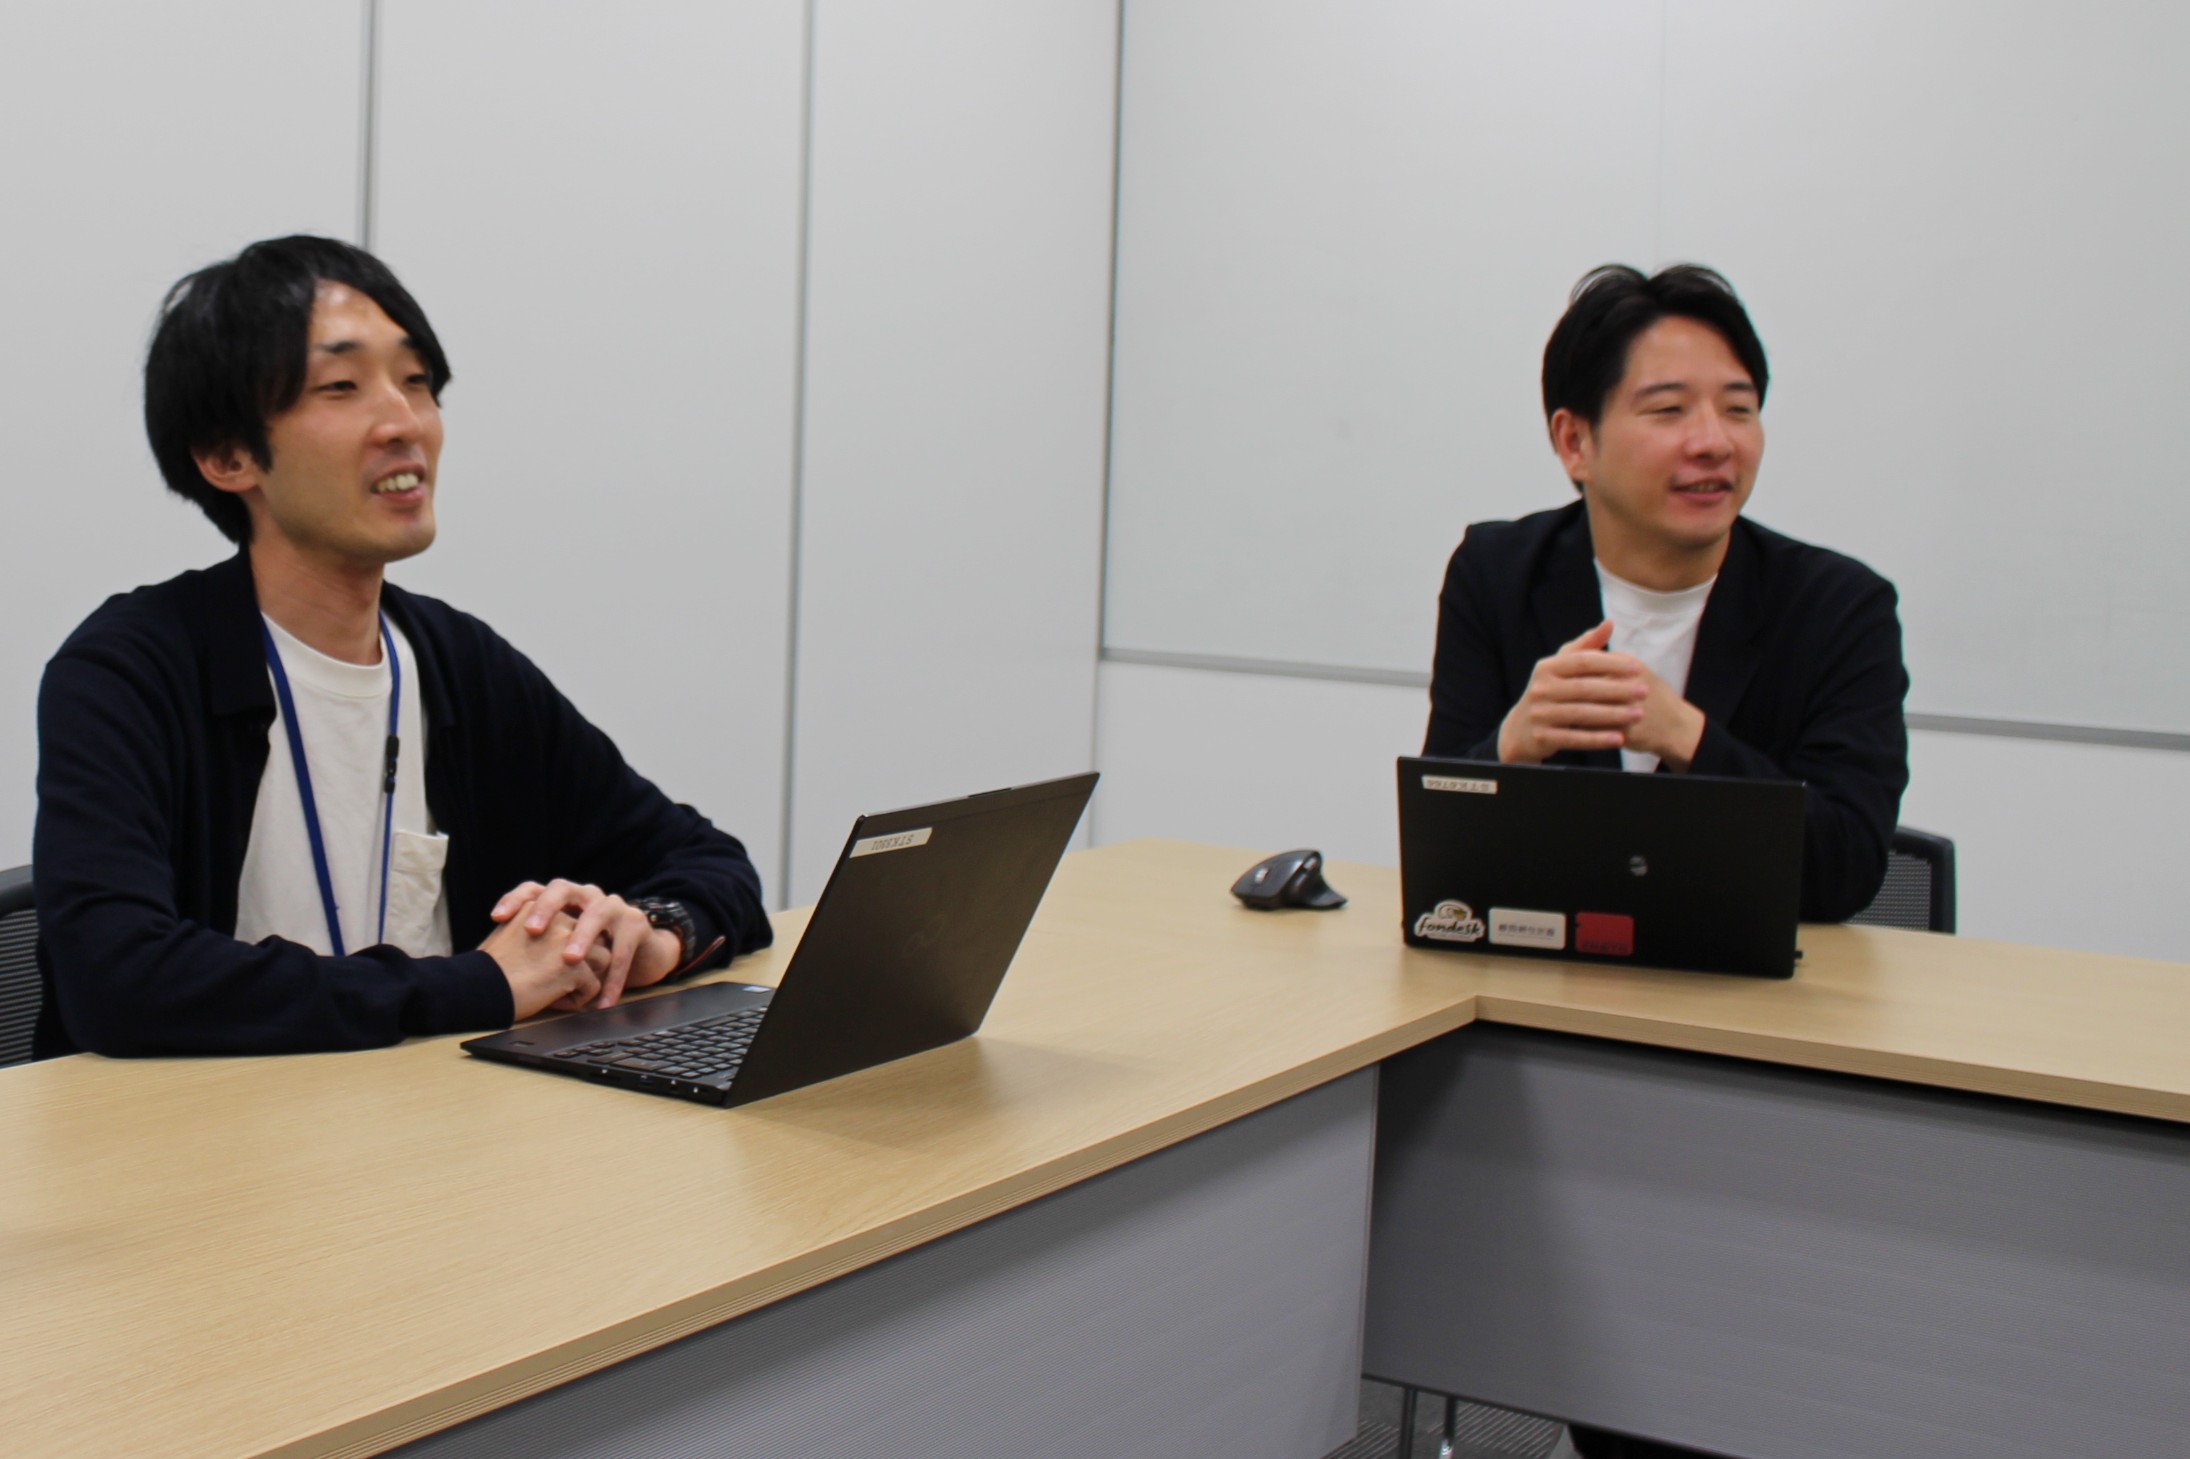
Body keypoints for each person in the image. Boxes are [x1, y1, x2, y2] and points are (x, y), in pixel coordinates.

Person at [32, 235, 771, 1058]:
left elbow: (709, 861)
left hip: (426, 1122)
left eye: (417, 381)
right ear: (228, 455)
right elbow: (116, 978)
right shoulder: (130, 670)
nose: (405, 422)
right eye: (342, 386)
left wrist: (655, 933)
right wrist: (479, 984)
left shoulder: (458, 664)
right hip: (203, 1130)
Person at [1425, 263, 1909, 927]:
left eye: (1738, 409)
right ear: (1575, 441)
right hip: (1542, 973)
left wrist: (1685, 735)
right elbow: (1440, 854)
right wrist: (1509, 745)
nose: (1714, 442)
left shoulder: (1839, 608)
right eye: (1668, 410)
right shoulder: (1498, 575)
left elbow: (1845, 872)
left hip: (1741, 978)